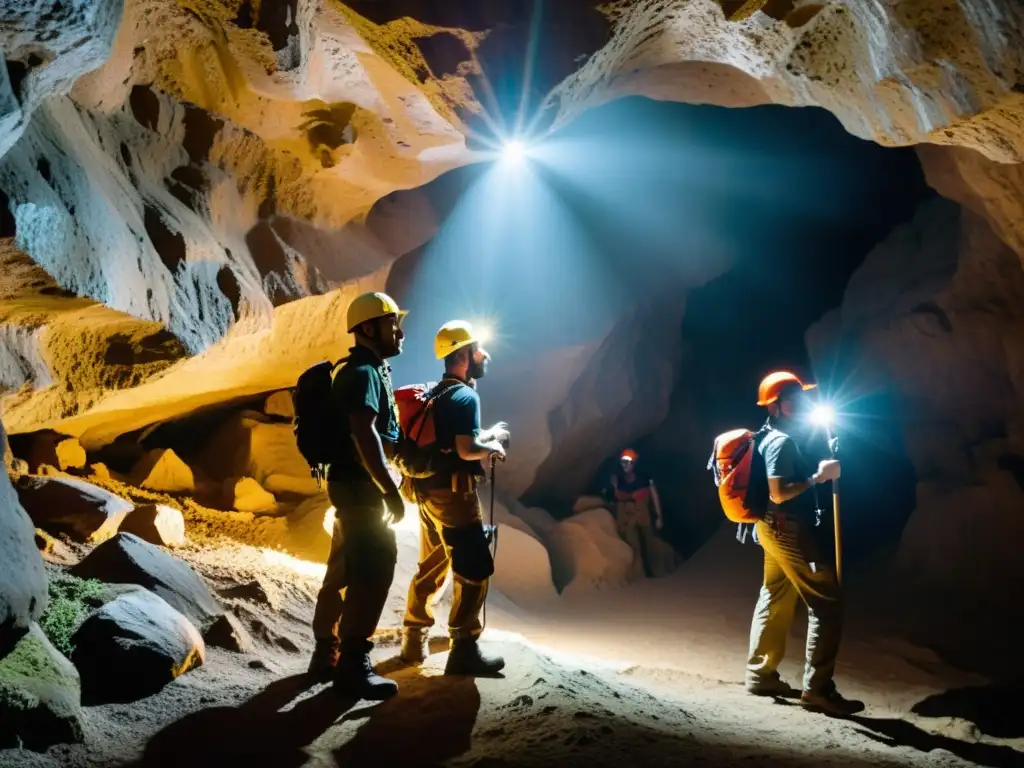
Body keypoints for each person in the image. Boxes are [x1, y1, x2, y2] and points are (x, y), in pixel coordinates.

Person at [744, 371, 864, 715]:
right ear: (776, 407)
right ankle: (818, 689)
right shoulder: (780, 441)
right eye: (792, 400)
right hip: (786, 528)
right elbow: (779, 493)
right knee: (827, 603)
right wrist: (818, 477)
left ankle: (760, 674)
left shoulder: (770, 435)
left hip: (770, 528)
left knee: (776, 594)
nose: (801, 403)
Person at [308, 291, 407, 700]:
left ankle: (326, 654)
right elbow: (362, 433)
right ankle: (352, 663)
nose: (399, 331)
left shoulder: (367, 370)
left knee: (345, 567)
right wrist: (389, 490)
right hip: (362, 490)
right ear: (368, 328)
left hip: (352, 488)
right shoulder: (363, 373)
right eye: (391, 323)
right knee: (373, 570)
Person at [399, 320, 509, 676]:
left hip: (426, 493)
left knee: (433, 564)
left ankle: (413, 640)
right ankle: (464, 647)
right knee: (473, 565)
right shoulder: (466, 396)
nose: (484, 354)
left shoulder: (436, 393)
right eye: (478, 349)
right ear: (462, 355)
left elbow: (453, 438)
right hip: (454, 495)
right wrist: (493, 445)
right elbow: (465, 449)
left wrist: (486, 435)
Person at [605, 449, 667, 580]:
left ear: (634, 463)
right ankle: (639, 576)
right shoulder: (620, 480)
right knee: (633, 546)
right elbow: (615, 499)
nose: (625, 465)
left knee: (650, 542)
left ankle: (658, 572)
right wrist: (615, 487)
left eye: (628, 462)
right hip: (628, 516)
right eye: (623, 463)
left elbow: (654, 495)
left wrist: (659, 516)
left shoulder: (644, 477)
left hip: (643, 514)